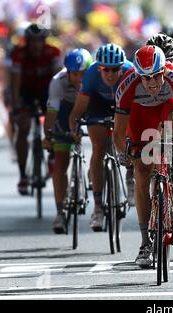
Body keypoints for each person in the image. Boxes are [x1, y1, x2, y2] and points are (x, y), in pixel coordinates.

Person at [114, 45, 173, 268]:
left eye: (157, 76)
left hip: (169, 108)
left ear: (164, 71)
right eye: (146, 78)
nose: (153, 83)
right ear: (138, 75)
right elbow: (118, 133)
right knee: (141, 171)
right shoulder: (127, 85)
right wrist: (125, 154)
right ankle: (145, 243)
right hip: (140, 117)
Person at [68, 43, 133, 231]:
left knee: (129, 138)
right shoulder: (90, 75)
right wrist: (74, 128)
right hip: (98, 106)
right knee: (99, 147)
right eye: (106, 69)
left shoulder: (131, 73)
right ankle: (97, 208)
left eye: (115, 69)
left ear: (123, 67)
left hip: (125, 103)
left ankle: (130, 176)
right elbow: (77, 111)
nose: (110, 74)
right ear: (99, 67)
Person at [42, 48, 93, 234]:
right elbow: (52, 113)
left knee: (101, 139)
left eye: (83, 74)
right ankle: (60, 213)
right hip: (65, 111)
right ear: (68, 72)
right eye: (75, 74)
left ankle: (94, 173)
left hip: (91, 107)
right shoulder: (57, 82)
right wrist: (48, 135)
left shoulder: (96, 76)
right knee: (61, 161)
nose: (79, 78)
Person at [10, 23, 61, 195]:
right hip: (26, 92)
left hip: (47, 91)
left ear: (44, 41)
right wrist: (17, 108)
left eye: (40, 41)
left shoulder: (53, 52)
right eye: (33, 41)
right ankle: (23, 175)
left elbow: (58, 79)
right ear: (27, 41)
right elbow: (15, 83)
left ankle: (52, 154)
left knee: (53, 122)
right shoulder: (18, 54)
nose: (36, 45)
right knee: (23, 128)